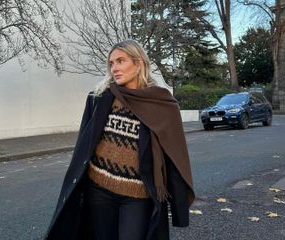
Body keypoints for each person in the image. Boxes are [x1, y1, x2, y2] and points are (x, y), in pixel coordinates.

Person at [45, 39, 195, 240]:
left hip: (137, 194)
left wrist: (179, 204)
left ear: (138, 62)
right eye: (111, 63)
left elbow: (175, 155)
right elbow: (84, 143)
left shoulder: (162, 103)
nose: (114, 68)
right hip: (99, 189)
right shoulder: (99, 97)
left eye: (120, 61)